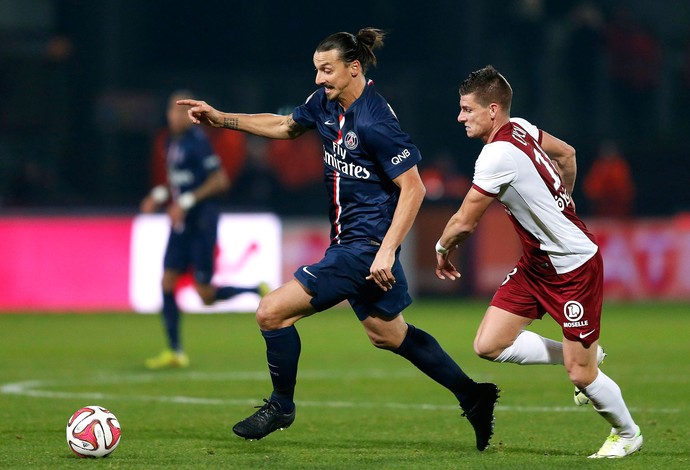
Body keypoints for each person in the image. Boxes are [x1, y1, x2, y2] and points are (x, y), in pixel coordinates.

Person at [177, 28, 499, 450]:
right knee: (388, 334)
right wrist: (223, 119)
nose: (318, 79)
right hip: (349, 244)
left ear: (353, 69)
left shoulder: (375, 120)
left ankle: (281, 406)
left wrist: (384, 251)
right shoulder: (324, 105)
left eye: (326, 71)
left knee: (271, 312)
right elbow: (285, 125)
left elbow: (414, 188)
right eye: (316, 71)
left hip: (364, 249)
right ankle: (473, 395)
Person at [434, 66, 642, 458]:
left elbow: (464, 220)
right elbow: (567, 153)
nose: (460, 117)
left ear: (492, 110)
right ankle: (589, 353)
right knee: (489, 344)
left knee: (579, 373)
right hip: (537, 263)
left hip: (573, 267)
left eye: (467, 110)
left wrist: (442, 249)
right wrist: (562, 199)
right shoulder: (523, 127)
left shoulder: (495, 154)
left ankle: (628, 433)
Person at [140, 90, 267, 370]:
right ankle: (174, 351)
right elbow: (176, 184)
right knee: (167, 282)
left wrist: (185, 202)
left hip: (202, 222)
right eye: (170, 111)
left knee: (205, 295)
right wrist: (158, 196)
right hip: (182, 223)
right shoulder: (170, 144)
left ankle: (253, 289)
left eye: (179, 112)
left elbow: (219, 181)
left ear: (189, 116)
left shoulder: (198, 143)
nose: (174, 117)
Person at [582, 140, 635, 218]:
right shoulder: (598, 166)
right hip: (601, 208)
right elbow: (591, 188)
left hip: (619, 208)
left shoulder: (619, 165)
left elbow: (626, 188)